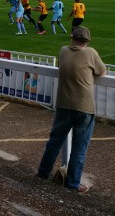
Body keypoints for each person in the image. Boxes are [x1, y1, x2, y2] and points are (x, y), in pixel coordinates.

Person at [37, 27, 106, 193]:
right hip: (84, 106)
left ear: (72, 38)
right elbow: (102, 72)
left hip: (63, 104)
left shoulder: (63, 50)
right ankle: (73, 184)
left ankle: (43, 173)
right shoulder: (91, 53)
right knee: (79, 147)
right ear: (87, 41)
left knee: (54, 142)